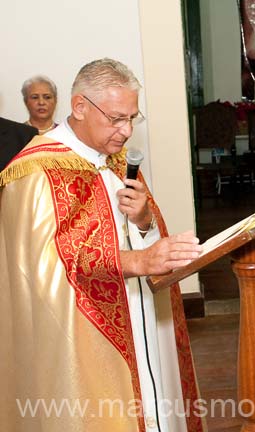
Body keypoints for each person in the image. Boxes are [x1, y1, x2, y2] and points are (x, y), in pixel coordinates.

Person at [0, 59, 206, 431]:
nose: (126, 131)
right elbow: (46, 268)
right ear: (79, 107)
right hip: (86, 333)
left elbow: (140, 234)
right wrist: (136, 262)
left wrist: (144, 221)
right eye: (116, 118)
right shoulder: (34, 171)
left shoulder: (116, 162)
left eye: (132, 118)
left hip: (139, 314)